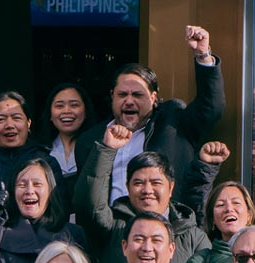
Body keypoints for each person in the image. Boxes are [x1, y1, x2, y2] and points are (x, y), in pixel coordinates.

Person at [73, 26, 224, 207]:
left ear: (153, 98)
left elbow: (211, 108)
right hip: (111, 223)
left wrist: (202, 55)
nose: (129, 101)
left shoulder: (173, 122)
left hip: (164, 222)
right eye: (122, 95)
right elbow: (86, 197)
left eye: (137, 95)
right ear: (112, 96)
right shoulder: (91, 141)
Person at [79, 121, 208, 263]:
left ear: (171, 187)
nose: (147, 190)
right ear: (127, 187)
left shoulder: (192, 235)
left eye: (156, 183)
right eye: (138, 183)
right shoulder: (113, 225)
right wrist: (106, 149)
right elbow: (89, 204)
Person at [182, 147, 255, 263]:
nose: (229, 209)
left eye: (236, 203)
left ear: (249, 215)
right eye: (220, 205)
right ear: (212, 219)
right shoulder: (200, 262)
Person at [41, 82, 92, 181]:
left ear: (86, 111)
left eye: (74, 105)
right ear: (50, 114)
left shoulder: (99, 147)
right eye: (59, 106)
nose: (67, 111)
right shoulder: (39, 151)